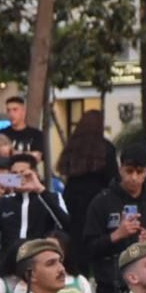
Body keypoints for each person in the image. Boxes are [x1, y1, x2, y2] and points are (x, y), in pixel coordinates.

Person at [82, 143, 146, 293]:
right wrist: (116, 235)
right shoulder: (102, 202)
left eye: (139, 172)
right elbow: (88, 248)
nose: (133, 177)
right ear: (120, 169)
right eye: (129, 171)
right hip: (111, 290)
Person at [0, 154, 70, 276]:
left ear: (36, 174)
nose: (19, 177)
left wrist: (39, 190)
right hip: (9, 270)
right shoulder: (4, 202)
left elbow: (66, 226)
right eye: (14, 174)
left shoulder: (51, 197)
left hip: (41, 268)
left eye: (24, 173)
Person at [56, 111, 118, 273]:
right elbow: (113, 177)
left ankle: (79, 274)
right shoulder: (106, 148)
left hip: (73, 199)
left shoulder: (72, 146)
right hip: (97, 199)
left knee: (77, 242)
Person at [4, 95, 45, 165]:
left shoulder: (36, 134)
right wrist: (28, 154)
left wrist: (13, 152)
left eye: (15, 110)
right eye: (8, 110)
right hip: (7, 174)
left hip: (28, 173)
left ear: (23, 111)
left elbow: (37, 157)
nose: (11, 114)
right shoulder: (2, 134)